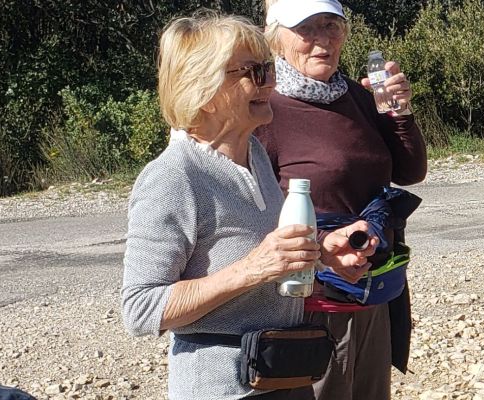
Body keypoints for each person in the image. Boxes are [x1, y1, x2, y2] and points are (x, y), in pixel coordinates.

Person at [119, 13, 375, 400]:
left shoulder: (253, 154)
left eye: (268, 68)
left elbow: (261, 263)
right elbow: (140, 309)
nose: (270, 82)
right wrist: (253, 269)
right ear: (202, 91)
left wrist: (322, 257)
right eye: (253, 72)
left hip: (286, 375)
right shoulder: (174, 176)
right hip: (221, 390)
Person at [253, 1, 426, 398]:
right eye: (307, 28)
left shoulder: (355, 95)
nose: (323, 40)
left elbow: (409, 172)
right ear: (275, 36)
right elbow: (248, 210)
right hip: (310, 302)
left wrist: (399, 114)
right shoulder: (265, 106)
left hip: (374, 289)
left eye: (332, 26)